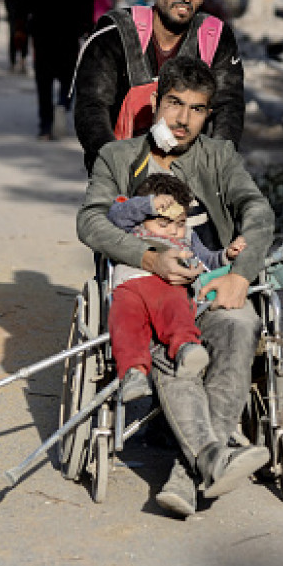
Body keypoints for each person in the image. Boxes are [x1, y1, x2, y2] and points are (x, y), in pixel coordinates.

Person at [77, 56, 274, 518]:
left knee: (241, 325)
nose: (184, 119)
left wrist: (239, 273)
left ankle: (193, 470)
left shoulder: (219, 157)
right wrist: (149, 258)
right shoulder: (118, 157)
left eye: (198, 109)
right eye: (175, 104)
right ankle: (205, 461)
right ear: (155, 101)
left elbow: (258, 211)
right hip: (150, 290)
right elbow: (89, 220)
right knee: (173, 339)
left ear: (209, 115)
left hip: (209, 285)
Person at [72, 0, 244, 172]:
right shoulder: (115, 32)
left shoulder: (217, 37)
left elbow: (229, 108)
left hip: (187, 173)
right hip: (118, 166)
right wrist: (113, 167)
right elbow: (92, 106)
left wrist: (215, 170)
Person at [106, 173, 246, 403]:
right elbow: (116, 214)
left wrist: (226, 255)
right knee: (125, 322)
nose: (173, 230)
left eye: (180, 223)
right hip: (129, 285)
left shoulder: (187, 237)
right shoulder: (131, 226)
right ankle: (133, 373)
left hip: (168, 286)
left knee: (177, 308)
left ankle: (186, 346)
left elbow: (206, 260)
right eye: (164, 223)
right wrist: (150, 205)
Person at [15, 0, 93, 140]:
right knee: (69, 74)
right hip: (69, 28)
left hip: (43, 28)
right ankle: (63, 104)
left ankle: (45, 126)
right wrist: (87, 26)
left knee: (43, 78)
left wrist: (21, 24)